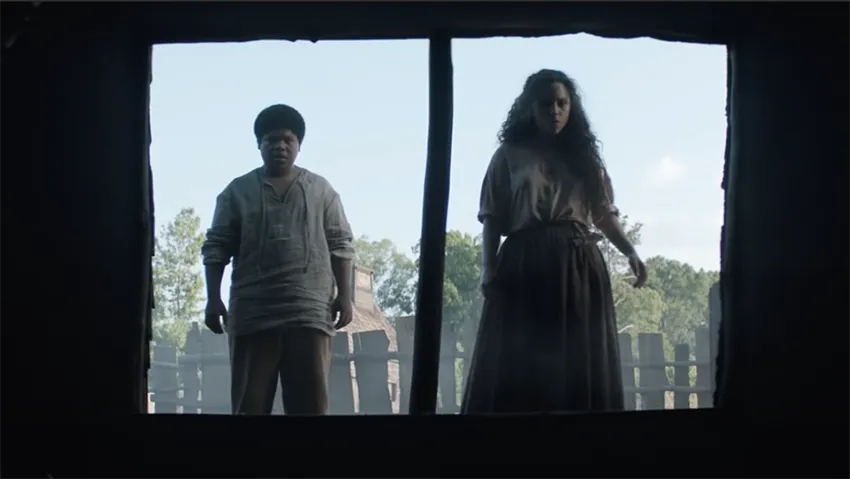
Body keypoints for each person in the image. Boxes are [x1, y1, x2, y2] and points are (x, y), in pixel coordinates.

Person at [461, 69, 647, 414]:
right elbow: (492, 216)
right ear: (530, 108)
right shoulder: (509, 155)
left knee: (576, 360)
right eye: (546, 104)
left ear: (571, 107)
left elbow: (603, 214)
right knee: (521, 360)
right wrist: (488, 267)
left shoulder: (585, 159)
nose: (555, 111)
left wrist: (630, 251)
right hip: (524, 267)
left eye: (562, 103)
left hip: (577, 269)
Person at [201, 104, 356, 415]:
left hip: (309, 312)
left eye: (288, 139)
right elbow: (216, 247)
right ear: (259, 144)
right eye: (272, 139)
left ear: (299, 145)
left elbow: (341, 244)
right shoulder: (237, 192)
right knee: (250, 406)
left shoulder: (321, 191)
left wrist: (345, 295)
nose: (280, 146)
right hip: (253, 313)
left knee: (310, 408)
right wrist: (213, 298)